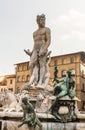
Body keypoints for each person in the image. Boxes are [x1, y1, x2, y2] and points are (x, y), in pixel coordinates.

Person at [29, 14, 51, 86]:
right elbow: (34, 43)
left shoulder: (47, 29)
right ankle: (34, 80)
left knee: (42, 65)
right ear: (38, 21)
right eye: (42, 20)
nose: (44, 21)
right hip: (35, 49)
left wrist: (44, 49)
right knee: (31, 65)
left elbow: (48, 40)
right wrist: (31, 52)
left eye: (44, 20)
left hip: (43, 48)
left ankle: (40, 81)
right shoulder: (34, 33)